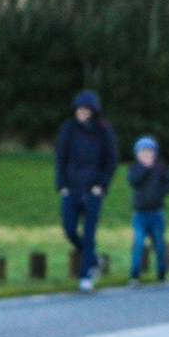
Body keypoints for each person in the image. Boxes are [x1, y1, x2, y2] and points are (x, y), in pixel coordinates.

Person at [55, 90, 118, 293]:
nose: (82, 113)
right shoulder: (68, 129)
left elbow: (111, 159)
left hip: (93, 188)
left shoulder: (103, 130)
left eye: (86, 110)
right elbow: (60, 157)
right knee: (70, 228)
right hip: (72, 187)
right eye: (79, 110)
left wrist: (102, 185)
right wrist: (62, 185)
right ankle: (92, 259)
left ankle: (85, 275)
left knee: (89, 233)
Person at [127, 136, 169, 284]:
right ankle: (135, 274)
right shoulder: (135, 168)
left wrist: (160, 194)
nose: (147, 156)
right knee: (138, 243)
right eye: (143, 153)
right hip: (140, 212)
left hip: (156, 211)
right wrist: (145, 168)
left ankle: (162, 273)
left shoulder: (160, 167)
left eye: (149, 152)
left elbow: (168, 183)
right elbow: (134, 180)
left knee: (159, 243)